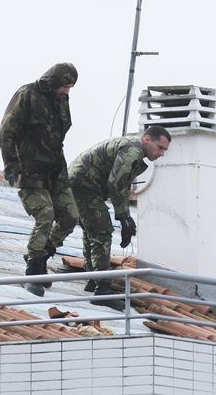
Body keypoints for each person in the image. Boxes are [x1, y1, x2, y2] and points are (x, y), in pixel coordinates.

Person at [0, 62, 80, 297]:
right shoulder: (27, 94)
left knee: (70, 216)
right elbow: (6, 132)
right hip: (30, 168)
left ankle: (42, 254)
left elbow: (59, 133)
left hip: (56, 169)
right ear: (53, 82)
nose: (67, 91)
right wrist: (11, 164)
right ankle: (33, 269)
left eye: (70, 87)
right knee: (45, 215)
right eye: (64, 86)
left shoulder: (62, 100)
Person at [67, 126, 172, 309]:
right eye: (160, 147)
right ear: (147, 139)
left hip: (83, 184)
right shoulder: (133, 150)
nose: (161, 154)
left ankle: (94, 280)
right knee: (102, 231)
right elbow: (115, 184)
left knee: (92, 230)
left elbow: (121, 186)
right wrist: (123, 217)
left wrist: (125, 217)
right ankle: (103, 289)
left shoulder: (134, 151)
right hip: (83, 184)